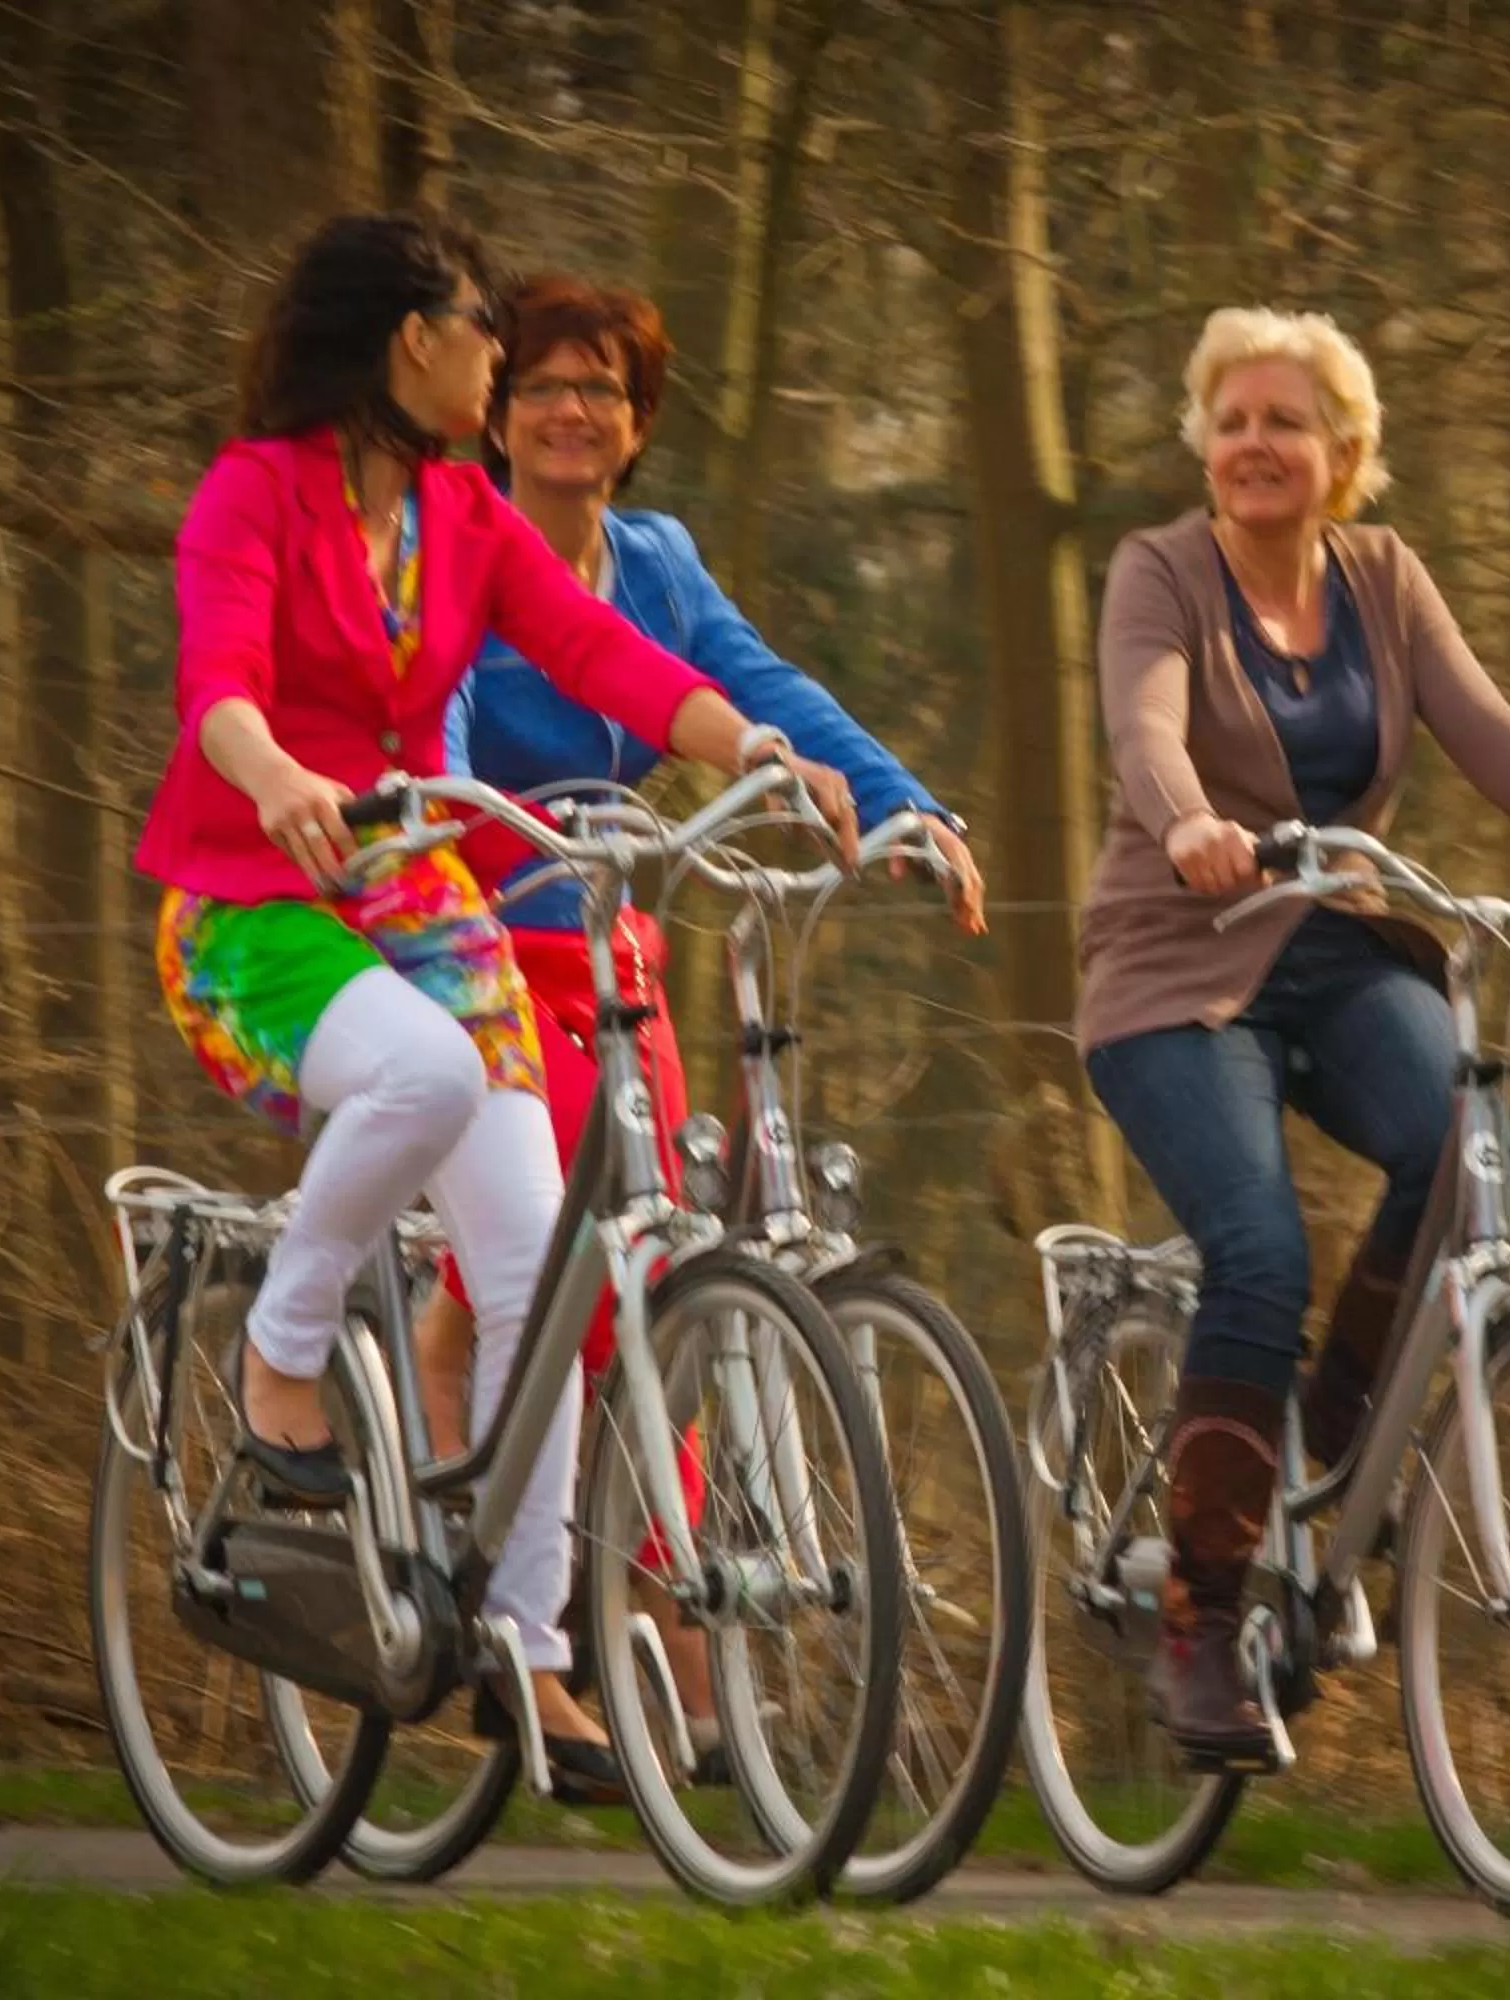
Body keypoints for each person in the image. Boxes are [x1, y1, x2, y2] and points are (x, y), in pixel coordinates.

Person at [131, 211, 858, 1804]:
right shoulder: (253, 492)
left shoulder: (461, 515)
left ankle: (534, 1652)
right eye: (479, 330)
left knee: (542, 1277)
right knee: (428, 1083)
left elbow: (601, 649)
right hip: (251, 898)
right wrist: (279, 780)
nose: (499, 360)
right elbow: (221, 687)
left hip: (416, 895)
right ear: (410, 342)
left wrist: (755, 753)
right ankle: (284, 1344)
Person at [1078, 307, 1510, 1766]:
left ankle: (1321, 1454)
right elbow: (1145, 722)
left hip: (1339, 947)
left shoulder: (1384, 579)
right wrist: (1190, 825)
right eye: (1230, 421)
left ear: (1344, 454)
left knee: (1463, 1156)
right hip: (1177, 963)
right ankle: (1206, 1624)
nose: (1251, 446)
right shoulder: (1159, 572)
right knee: (1261, 1250)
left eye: (1283, 423)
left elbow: (1483, 723)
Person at [412, 272, 984, 1778]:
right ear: (495, 411)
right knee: (531, 1275)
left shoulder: (654, 562)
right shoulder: (457, 546)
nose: (570, 410)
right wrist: (450, 816)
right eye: (540, 382)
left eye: (600, 386)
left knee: (655, 1272)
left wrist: (900, 800)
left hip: (613, 950)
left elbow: (753, 682)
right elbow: (438, 708)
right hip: (478, 936)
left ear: (637, 419)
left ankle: (667, 1627)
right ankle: (455, 1470)